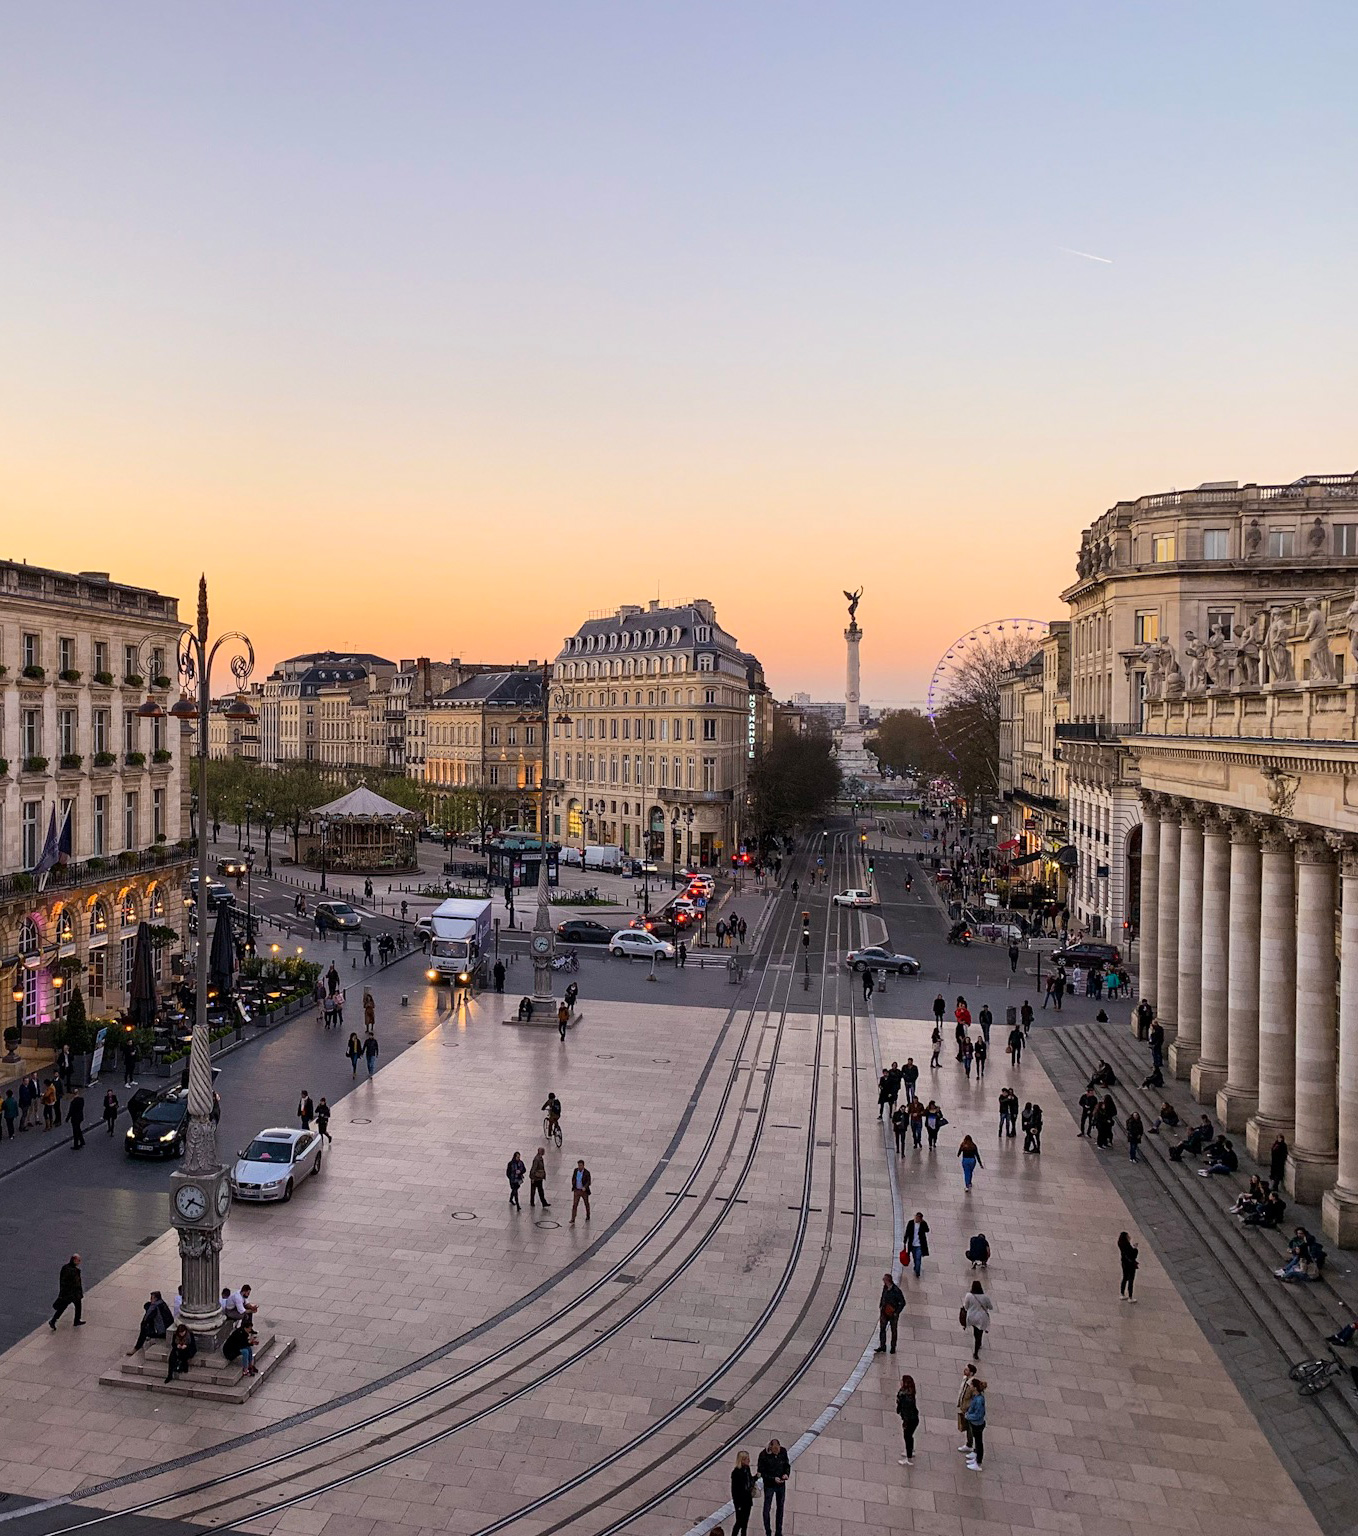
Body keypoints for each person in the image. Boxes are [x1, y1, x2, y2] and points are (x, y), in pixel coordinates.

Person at [756, 1438, 790, 1536]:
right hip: (770, 1485)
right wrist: (773, 1478)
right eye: (775, 1451)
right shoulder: (763, 1455)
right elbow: (761, 1472)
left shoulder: (783, 1452)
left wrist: (786, 1474)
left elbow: (787, 1465)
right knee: (767, 1509)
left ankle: (778, 1532)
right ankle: (768, 1532)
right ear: (771, 1448)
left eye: (778, 1450)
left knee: (780, 1507)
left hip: (781, 1485)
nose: (777, 1453)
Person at [50, 1253, 85, 1329]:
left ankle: (53, 1320)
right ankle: (76, 1321)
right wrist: (79, 1292)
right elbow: (76, 1283)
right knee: (78, 1306)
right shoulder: (75, 1271)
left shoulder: (65, 1267)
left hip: (66, 1293)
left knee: (63, 1307)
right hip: (73, 1293)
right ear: (75, 1260)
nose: (79, 1262)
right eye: (78, 1260)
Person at [876, 1271, 906, 1352]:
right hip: (884, 1312)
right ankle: (882, 1346)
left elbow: (903, 1302)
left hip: (893, 1313)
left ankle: (893, 1347)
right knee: (882, 1328)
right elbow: (883, 1296)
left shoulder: (896, 1290)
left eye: (884, 1279)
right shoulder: (885, 1287)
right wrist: (881, 1305)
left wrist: (896, 1312)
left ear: (888, 1280)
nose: (883, 1280)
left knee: (893, 1330)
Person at [962, 1279, 992, 1359]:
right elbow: (990, 1307)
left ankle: (977, 1345)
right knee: (980, 1331)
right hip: (982, 1318)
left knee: (975, 1332)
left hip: (971, 1317)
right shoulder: (985, 1297)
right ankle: (977, 1347)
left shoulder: (968, 1295)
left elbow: (966, 1307)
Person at [895, 1373, 920, 1465]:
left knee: (907, 1437)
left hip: (910, 1420)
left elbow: (907, 1412)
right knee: (909, 1436)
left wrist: (905, 1423)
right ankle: (910, 1451)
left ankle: (908, 1458)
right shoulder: (907, 1393)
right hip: (913, 1419)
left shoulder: (906, 1397)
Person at [729, 1450, 755, 1536]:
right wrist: (738, 1505)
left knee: (745, 1523)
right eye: (747, 1459)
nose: (749, 1460)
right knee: (739, 1522)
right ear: (742, 1460)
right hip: (740, 1503)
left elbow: (750, 1481)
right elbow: (734, 1491)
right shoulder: (736, 1473)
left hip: (747, 1500)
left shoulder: (747, 1469)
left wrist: (756, 1477)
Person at [956, 1361, 979, 1456]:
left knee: (970, 1429)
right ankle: (969, 1444)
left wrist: (970, 1409)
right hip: (964, 1407)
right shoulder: (965, 1379)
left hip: (968, 1410)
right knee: (966, 1426)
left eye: (966, 1370)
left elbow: (974, 1398)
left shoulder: (972, 1385)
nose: (964, 1370)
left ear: (971, 1373)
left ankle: (970, 1445)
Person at [964, 1378, 987, 1470]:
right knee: (977, 1441)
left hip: (977, 1424)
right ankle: (976, 1456)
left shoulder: (979, 1400)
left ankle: (978, 1462)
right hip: (975, 1423)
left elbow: (979, 1414)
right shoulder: (977, 1397)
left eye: (972, 1386)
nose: (971, 1387)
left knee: (979, 1442)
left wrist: (968, 1416)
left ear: (975, 1388)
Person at [901, 1212, 929, 1278]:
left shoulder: (923, 1224)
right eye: (917, 1217)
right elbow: (907, 1232)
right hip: (912, 1244)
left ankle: (917, 1272)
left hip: (919, 1244)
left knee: (918, 1258)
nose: (917, 1219)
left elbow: (927, 1230)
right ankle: (916, 1266)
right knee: (914, 1257)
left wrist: (924, 1223)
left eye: (919, 1218)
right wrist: (905, 1240)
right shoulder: (910, 1223)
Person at [1118, 1231, 1139, 1301]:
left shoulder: (1121, 1245)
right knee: (1131, 1280)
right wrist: (1135, 1248)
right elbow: (1133, 1256)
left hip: (1124, 1263)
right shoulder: (1127, 1246)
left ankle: (1122, 1293)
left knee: (1124, 1278)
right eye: (1128, 1236)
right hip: (1130, 1265)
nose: (1129, 1237)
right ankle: (1130, 1297)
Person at [570, 1159, 591, 1223]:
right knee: (575, 1205)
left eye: (581, 1165)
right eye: (579, 1165)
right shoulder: (576, 1170)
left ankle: (588, 1215)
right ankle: (573, 1218)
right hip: (577, 1190)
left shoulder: (587, 1173)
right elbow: (573, 1178)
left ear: (583, 1166)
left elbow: (588, 1182)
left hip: (584, 1191)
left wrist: (585, 1187)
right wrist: (574, 1185)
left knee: (586, 1203)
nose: (579, 1167)